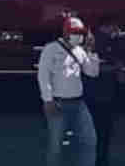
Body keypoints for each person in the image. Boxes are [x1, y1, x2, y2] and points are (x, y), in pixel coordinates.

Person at [39, 15, 99, 166]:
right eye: (75, 32)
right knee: (56, 146)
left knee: (89, 140)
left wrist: (91, 51)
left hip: (79, 104)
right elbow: (43, 75)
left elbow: (92, 72)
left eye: (81, 33)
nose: (79, 36)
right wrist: (48, 100)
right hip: (58, 104)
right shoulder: (50, 49)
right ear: (65, 32)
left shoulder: (80, 51)